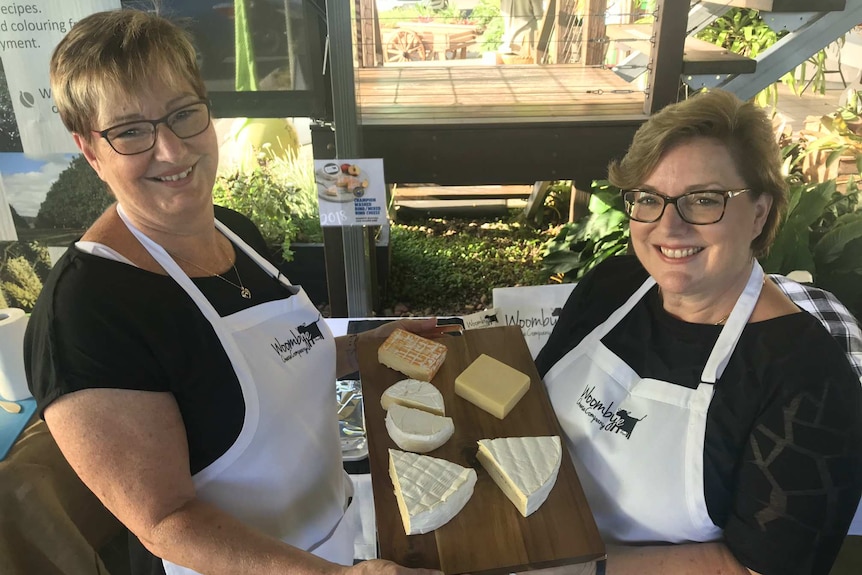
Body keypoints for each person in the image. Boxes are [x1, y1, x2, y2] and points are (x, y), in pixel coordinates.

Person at [23, 9, 442, 575]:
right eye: (129, 130)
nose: (171, 151)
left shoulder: (234, 231)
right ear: (90, 149)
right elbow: (165, 520)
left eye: (183, 114)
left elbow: (278, 365)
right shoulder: (87, 311)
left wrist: (367, 347)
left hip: (334, 539)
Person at [535, 89, 862, 575]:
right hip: (528, 536)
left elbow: (757, 568)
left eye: (704, 200)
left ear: (759, 212)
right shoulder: (614, 285)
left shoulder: (808, 380)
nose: (669, 227)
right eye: (649, 198)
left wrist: (564, 568)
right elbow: (532, 407)